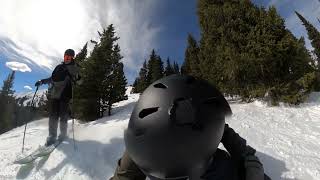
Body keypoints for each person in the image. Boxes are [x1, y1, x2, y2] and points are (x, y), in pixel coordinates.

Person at [110, 75, 270, 180]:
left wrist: (250, 161)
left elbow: (224, 130)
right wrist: (251, 162)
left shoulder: (220, 164)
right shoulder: (143, 142)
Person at [35, 49, 80, 146]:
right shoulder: (58, 67)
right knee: (53, 116)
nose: (67, 58)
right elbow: (52, 79)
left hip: (65, 95)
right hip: (55, 95)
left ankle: (63, 135)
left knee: (63, 116)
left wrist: (78, 78)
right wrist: (42, 81)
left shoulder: (75, 67)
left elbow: (80, 81)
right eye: (65, 56)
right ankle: (52, 136)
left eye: (69, 57)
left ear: (72, 58)